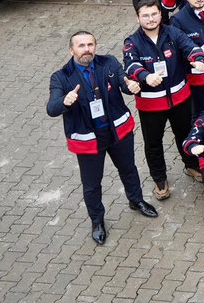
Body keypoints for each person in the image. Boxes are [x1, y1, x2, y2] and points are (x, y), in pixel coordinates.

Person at [47, 30, 157, 245]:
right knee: (92, 184)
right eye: (81, 45)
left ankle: (136, 201)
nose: (87, 49)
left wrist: (131, 86)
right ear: (71, 50)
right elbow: (51, 108)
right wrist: (65, 101)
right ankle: (97, 221)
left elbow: (124, 83)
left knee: (129, 169)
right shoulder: (60, 77)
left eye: (90, 44)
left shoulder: (109, 63)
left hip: (117, 131)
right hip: (88, 140)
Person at [122, 0, 204, 199]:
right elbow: (130, 65)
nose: (151, 19)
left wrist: (197, 60)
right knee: (153, 143)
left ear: (160, 14)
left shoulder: (173, 33)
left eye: (154, 14)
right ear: (138, 18)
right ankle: (160, 180)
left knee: (185, 135)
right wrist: (145, 76)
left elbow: (190, 47)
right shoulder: (131, 42)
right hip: (151, 105)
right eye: (145, 15)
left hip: (179, 99)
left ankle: (191, 165)